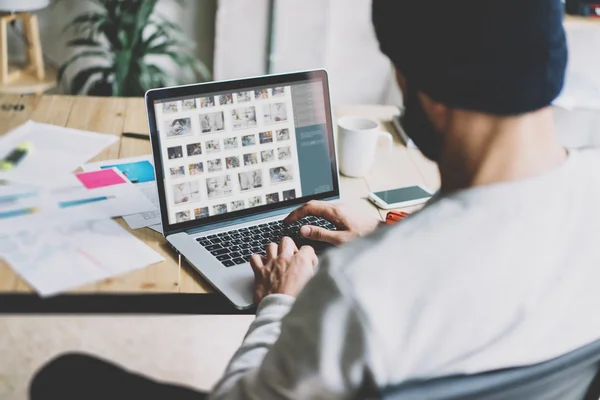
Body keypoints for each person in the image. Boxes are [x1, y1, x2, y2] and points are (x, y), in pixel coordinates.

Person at [30, 1, 600, 399]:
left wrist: (280, 301)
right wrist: (388, 236)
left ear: (426, 91)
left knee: (64, 376)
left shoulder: (362, 288)